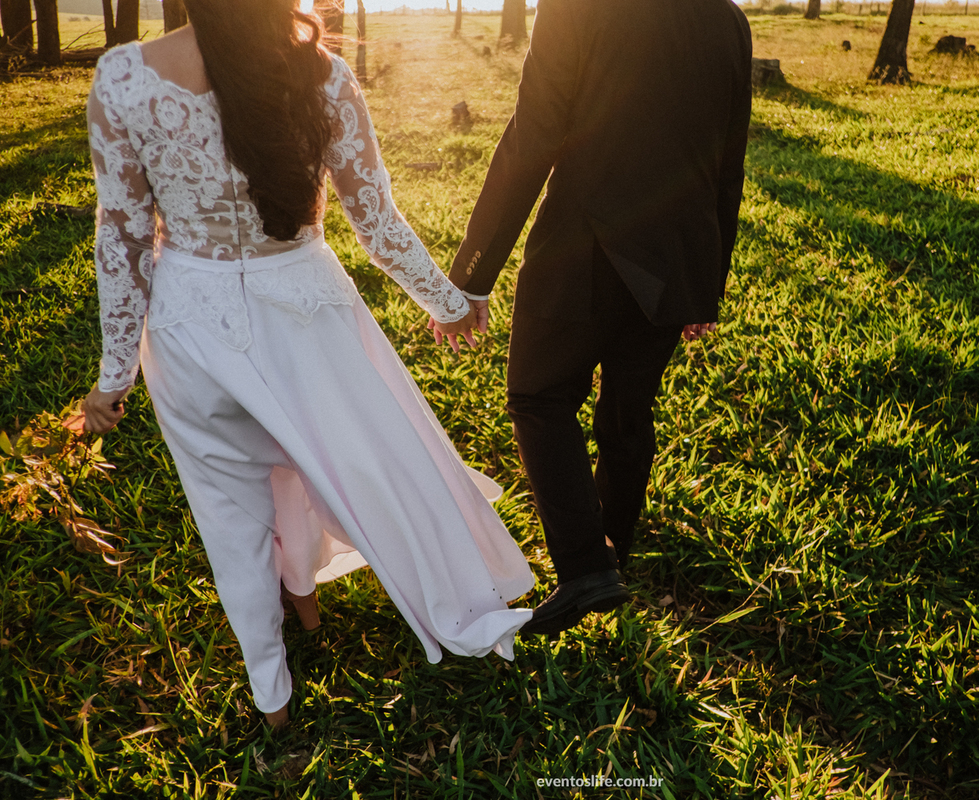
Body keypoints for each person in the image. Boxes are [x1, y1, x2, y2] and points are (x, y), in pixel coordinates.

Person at [71, 0, 533, 728]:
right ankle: (366, 600)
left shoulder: (124, 77)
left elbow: (121, 241)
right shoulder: (323, 73)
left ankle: (272, 693)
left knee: (230, 511)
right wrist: (446, 300)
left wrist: (113, 376)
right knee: (352, 464)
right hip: (309, 312)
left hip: (192, 323)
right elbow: (374, 220)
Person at [441, 0, 753, 635]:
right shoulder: (727, 18)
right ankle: (612, 553)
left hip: (581, 250)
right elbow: (730, 158)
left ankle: (587, 567)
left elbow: (535, 135)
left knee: (538, 395)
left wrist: (472, 275)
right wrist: (706, 284)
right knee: (627, 410)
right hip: (677, 255)